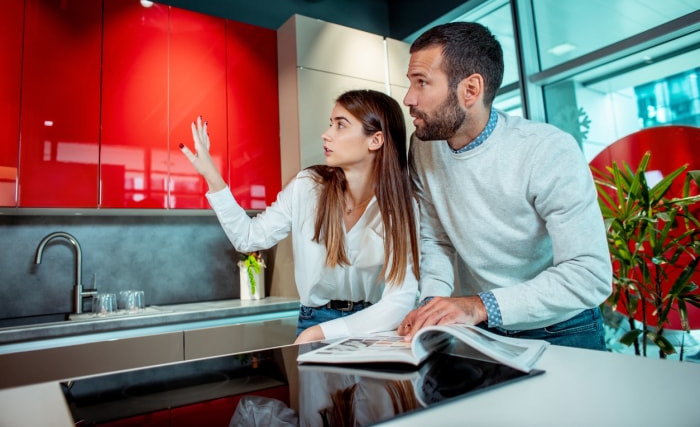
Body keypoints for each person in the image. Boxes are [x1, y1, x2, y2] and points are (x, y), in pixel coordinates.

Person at [397, 22, 612, 350]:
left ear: (471, 90)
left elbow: (589, 275)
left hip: (562, 328)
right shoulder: (424, 146)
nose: (408, 97)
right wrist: (432, 305)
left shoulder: (547, 150)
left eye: (422, 83)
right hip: (484, 328)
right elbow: (437, 239)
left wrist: (478, 306)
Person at [179, 89, 420, 344]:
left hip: (371, 325)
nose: (326, 134)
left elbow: (400, 299)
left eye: (341, 125)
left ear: (376, 140)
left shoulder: (401, 208)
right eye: (331, 124)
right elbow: (248, 238)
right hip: (314, 319)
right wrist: (211, 175)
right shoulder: (308, 187)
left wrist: (320, 333)